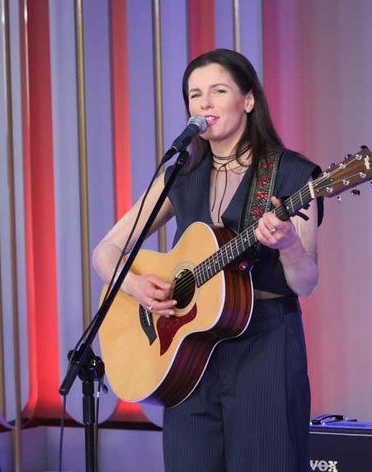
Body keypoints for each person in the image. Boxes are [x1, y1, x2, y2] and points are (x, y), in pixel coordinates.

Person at [92, 48, 322, 471]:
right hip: (188, 354)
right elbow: (105, 251)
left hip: (265, 347)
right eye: (195, 95)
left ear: (248, 100)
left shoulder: (291, 173)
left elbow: (305, 282)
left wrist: (288, 245)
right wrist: (137, 286)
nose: (205, 103)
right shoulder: (182, 173)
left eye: (218, 91)